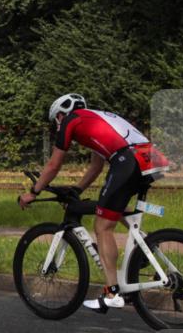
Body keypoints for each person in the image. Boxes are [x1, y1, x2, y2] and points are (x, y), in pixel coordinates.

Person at [18, 94, 169, 312]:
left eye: (56, 121)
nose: (58, 125)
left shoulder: (71, 120)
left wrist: (33, 192)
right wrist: (77, 190)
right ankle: (146, 247)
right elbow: (96, 167)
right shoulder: (97, 119)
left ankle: (112, 293)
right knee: (112, 208)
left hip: (128, 159)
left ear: (60, 115)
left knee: (102, 226)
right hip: (152, 157)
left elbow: (54, 164)